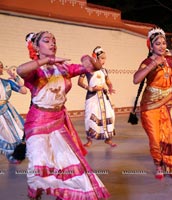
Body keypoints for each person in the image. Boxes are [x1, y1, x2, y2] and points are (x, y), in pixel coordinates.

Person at [17, 31, 110, 200]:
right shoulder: (35, 70)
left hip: (58, 121)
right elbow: (20, 70)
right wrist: (47, 60)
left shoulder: (64, 68)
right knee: (39, 164)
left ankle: (64, 194)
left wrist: (88, 60)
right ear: (36, 47)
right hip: (38, 121)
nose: (52, 43)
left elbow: (91, 68)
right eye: (47, 41)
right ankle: (34, 194)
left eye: (54, 40)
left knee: (65, 163)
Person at [133, 27, 172, 179]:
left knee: (170, 136)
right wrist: (153, 65)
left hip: (168, 102)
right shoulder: (147, 61)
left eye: (163, 43)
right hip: (150, 106)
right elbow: (136, 79)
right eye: (157, 43)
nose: (161, 46)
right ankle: (158, 164)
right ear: (151, 46)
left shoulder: (170, 60)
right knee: (155, 138)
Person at [78, 46, 116, 148]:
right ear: (95, 58)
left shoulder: (104, 71)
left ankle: (108, 139)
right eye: (102, 58)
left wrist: (111, 87)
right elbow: (80, 82)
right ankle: (89, 140)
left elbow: (108, 81)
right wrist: (90, 88)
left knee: (109, 115)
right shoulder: (87, 69)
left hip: (104, 96)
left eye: (105, 58)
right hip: (92, 96)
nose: (104, 61)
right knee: (89, 118)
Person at [0, 62, 27, 164]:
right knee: (3, 134)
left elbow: (24, 91)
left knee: (13, 133)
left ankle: (14, 156)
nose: (1, 68)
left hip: (7, 110)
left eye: (1, 67)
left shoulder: (7, 83)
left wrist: (15, 78)